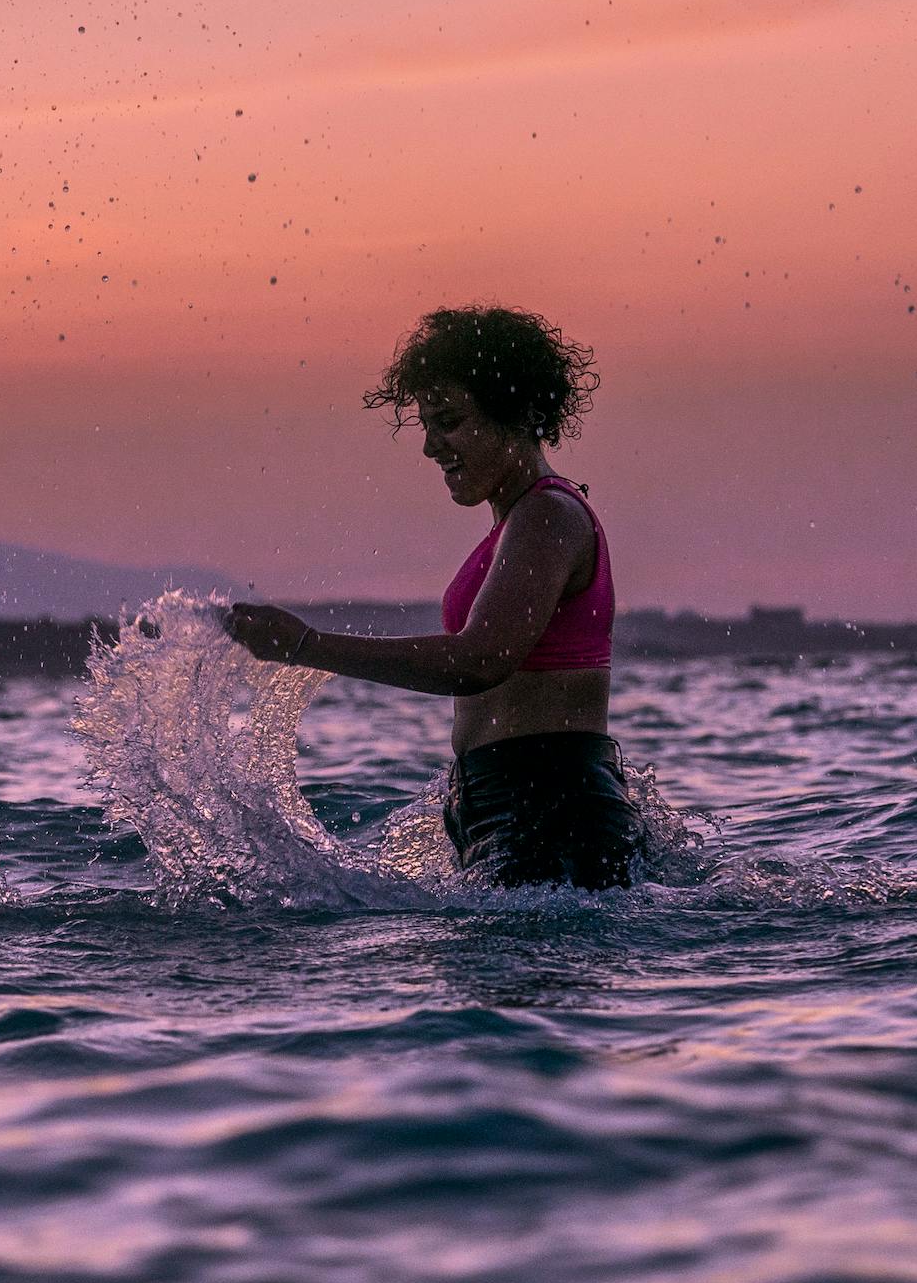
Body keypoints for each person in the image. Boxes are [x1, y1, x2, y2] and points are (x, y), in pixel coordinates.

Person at [225, 307, 641, 889]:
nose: (429, 447)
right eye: (425, 424)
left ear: (517, 414)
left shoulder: (548, 515)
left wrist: (306, 645)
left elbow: (479, 660)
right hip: (509, 803)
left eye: (448, 421)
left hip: (550, 806)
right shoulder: (519, 523)